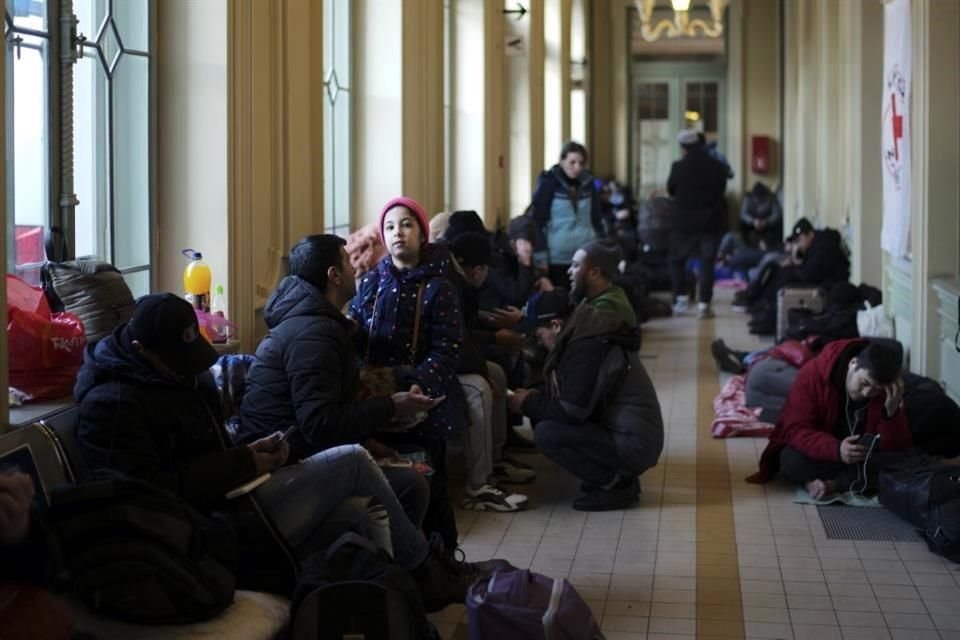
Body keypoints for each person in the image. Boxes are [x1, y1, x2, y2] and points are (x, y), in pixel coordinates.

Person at [74, 293, 483, 611]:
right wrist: (241, 463)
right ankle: (425, 573)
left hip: (232, 500)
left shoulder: (180, 379)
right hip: (199, 532)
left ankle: (390, 609)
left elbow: (206, 452)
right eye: (179, 361)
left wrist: (252, 454)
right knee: (352, 460)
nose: (190, 369)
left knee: (360, 515)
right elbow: (147, 498)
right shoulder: (112, 406)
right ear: (143, 350)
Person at [237, 234, 440, 530]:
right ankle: (416, 567)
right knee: (411, 484)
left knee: (412, 475)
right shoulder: (314, 334)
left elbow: (318, 413)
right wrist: (390, 406)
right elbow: (319, 423)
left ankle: (408, 569)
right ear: (333, 275)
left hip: (299, 452)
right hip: (280, 469)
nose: (355, 269)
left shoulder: (318, 323)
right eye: (347, 261)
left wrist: (366, 441)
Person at [348, 197, 469, 550]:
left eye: (405, 224)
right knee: (390, 484)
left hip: (424, 405)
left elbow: (448, 348)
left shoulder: (440, 287)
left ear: (422, 233)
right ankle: (404, 558)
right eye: (389, 227)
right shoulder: (371, 282)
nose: (397, 233)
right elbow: (358, 334)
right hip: (379, 402)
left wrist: (419, 384)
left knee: (431, 482)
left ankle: (443, 556)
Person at [508, 290, 664, 511]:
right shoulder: (584, 332)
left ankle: (617, 485)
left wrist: (526, 404)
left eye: (540, 334)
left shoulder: (586, 347)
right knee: (542, 416)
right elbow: (573, 393)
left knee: (547, 433)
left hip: (634, 443)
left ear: (555, 325)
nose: (540, 342)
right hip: (630, 434)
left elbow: (571, 410)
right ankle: (614, 477)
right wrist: (534, 397)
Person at [747, 339, 912, 499]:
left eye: (876, 390)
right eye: (864, 383)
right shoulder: (814, 374)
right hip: (826, 453)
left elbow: (896, 447)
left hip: (862, 459)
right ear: (853, 363)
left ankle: (832, 485)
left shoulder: (887, 391)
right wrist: (836, 449)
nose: (867, 393)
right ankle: (845, 482)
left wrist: (891, 413)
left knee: (903, 463)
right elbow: (795, 430)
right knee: (790, 459)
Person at [743, 217, 851, 334]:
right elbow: (810, 269)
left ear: (810, 234)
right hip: (819, 280)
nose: (798, 244)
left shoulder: (824, 246)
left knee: (786, 276)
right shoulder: (816, 244)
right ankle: (766, 308)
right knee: (779, 269)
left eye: (800, 240)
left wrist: (795, 263)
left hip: (827, 287)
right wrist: (795, 263)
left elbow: (811, 274)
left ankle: (770, 318)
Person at [666, 129, 729, 319]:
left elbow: (671, 190)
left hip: (683, 223)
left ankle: (681, 300)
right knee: (707, 262)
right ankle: (704, 305)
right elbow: (721, 191)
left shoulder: (678, 167)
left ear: (683, 147)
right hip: (710, 222)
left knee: (677, 260)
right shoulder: (717, 166)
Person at [531, 141, 603, 287]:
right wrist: (541, 258)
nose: (577, 167)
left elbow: (596, 218)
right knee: (561, 299)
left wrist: (601, 248)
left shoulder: (589, 184)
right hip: (557, 257)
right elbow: (537, 222)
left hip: (585, 253)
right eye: (572, 162)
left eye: (581, 163)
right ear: (562, 161)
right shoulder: (548, 183)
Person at [568, 239, 637, 327]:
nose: (569, 271)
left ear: (594, 273)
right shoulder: (605, 296)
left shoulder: (603, 309)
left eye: (575, 265)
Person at [739, 181, 783, 249]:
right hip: (753, 222)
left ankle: (774, 246)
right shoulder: (747, 198)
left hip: (767, 222)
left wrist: (766, 222)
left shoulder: (771, 198)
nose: (758, 200)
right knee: (741, 223)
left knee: (779, 223)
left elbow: (777, 214)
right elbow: (743, 214)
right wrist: (752, 221)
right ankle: (745, 246)